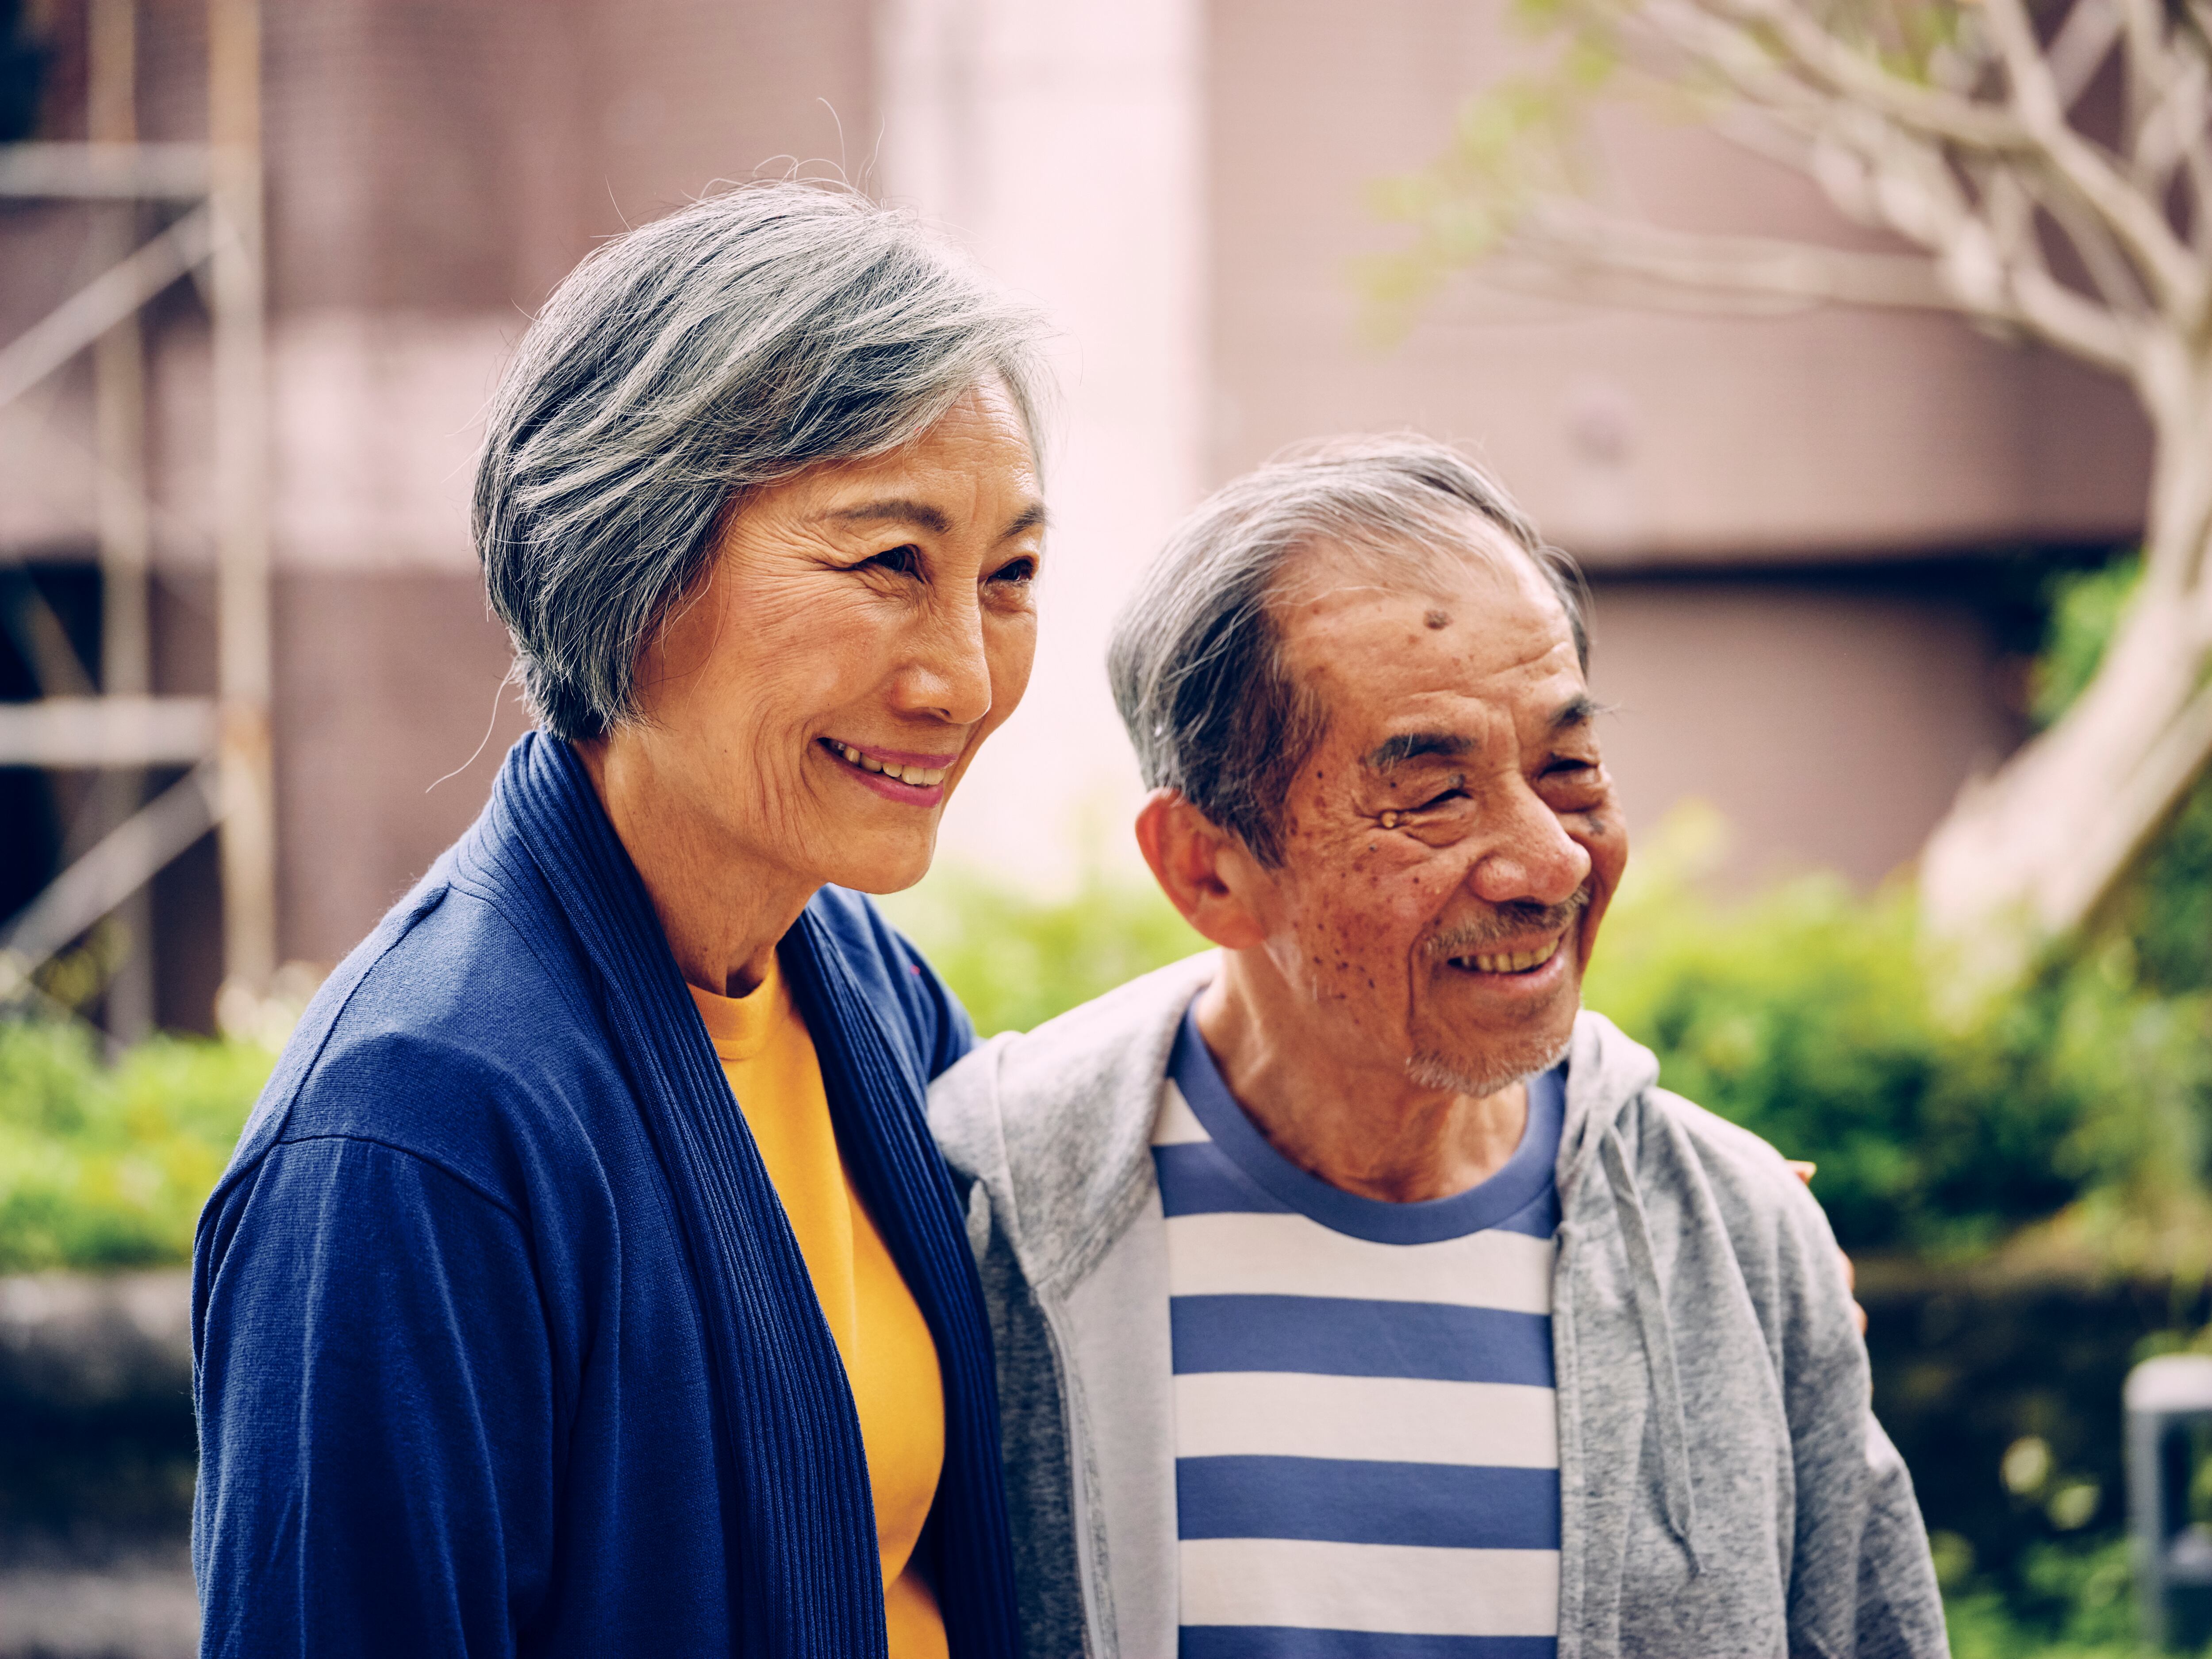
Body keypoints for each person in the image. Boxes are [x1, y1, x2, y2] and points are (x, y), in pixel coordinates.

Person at [192, 182, 1051, 1658]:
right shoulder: (414, 1127)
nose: (964, 679)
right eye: (889, 564)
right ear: (629, 563)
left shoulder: (874, 998)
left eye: (1010, 575)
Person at [929, 436, 1948, 1658]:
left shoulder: (1729, 1236)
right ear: (1208, 868)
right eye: (1434, 796)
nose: (1553, 862)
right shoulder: (988, 1223)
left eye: (1567, 766)